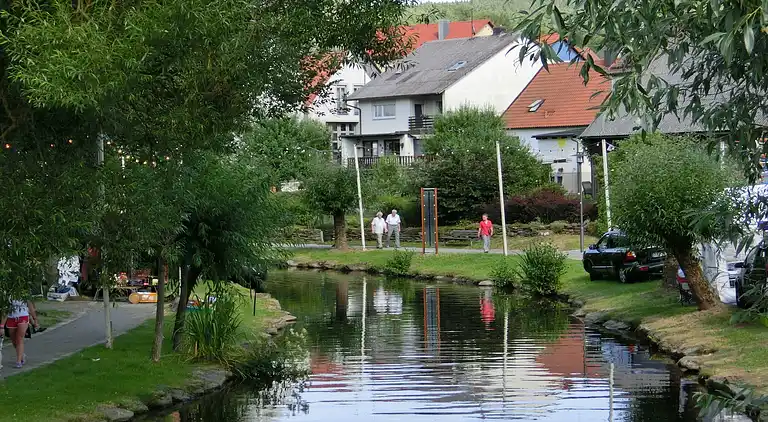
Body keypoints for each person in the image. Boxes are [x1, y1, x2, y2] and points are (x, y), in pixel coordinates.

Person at [1, 298, 39, 368]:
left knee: (19, 339)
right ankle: (21, 354)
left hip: (23, 316)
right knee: (14, 340)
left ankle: (19, 361)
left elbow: (30, 307)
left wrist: (35, 320)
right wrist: (2, 326)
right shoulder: (8, 294)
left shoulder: (24, 294)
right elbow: (5, 310)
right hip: (11, 318)